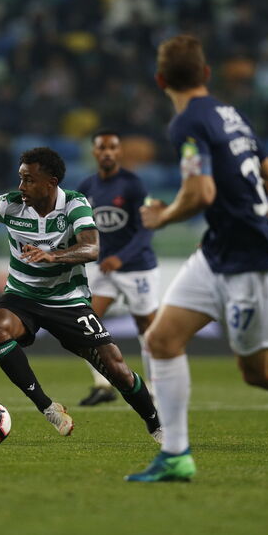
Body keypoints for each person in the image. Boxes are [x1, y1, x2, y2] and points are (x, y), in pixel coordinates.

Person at [126, 35, 268, 483]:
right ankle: (175, 455)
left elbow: (201, 193)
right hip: (217, 254)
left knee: (259, 371)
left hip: (253, 266)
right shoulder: (231, 114)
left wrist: (163, 217)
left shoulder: (186, 124)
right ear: (206, 75)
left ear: (160, 81)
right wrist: (233, 223)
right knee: (161, 341)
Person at [0, 147, 161, 441]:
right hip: (22, 296)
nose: (22, 187)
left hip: (68, 300)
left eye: (29, 180)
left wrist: (54, 257)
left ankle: (157, 424)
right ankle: (47, 407)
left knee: (116, 369)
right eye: (20, 179)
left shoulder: (74, 205)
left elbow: (92, 248)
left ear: (51, 181)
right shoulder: (9, 205)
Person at [75, 130, 160, 406]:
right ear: (95, 152)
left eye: (113, 147)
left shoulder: (134, 185)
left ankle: (156, 387)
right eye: (102, 148)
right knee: (85, 324)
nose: (108, 152)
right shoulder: (87, 188)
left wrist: (121, 258)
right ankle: (103, 384)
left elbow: (146, 230)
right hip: (105, 269)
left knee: (147, 328)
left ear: (119, 152)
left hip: (137, 268)